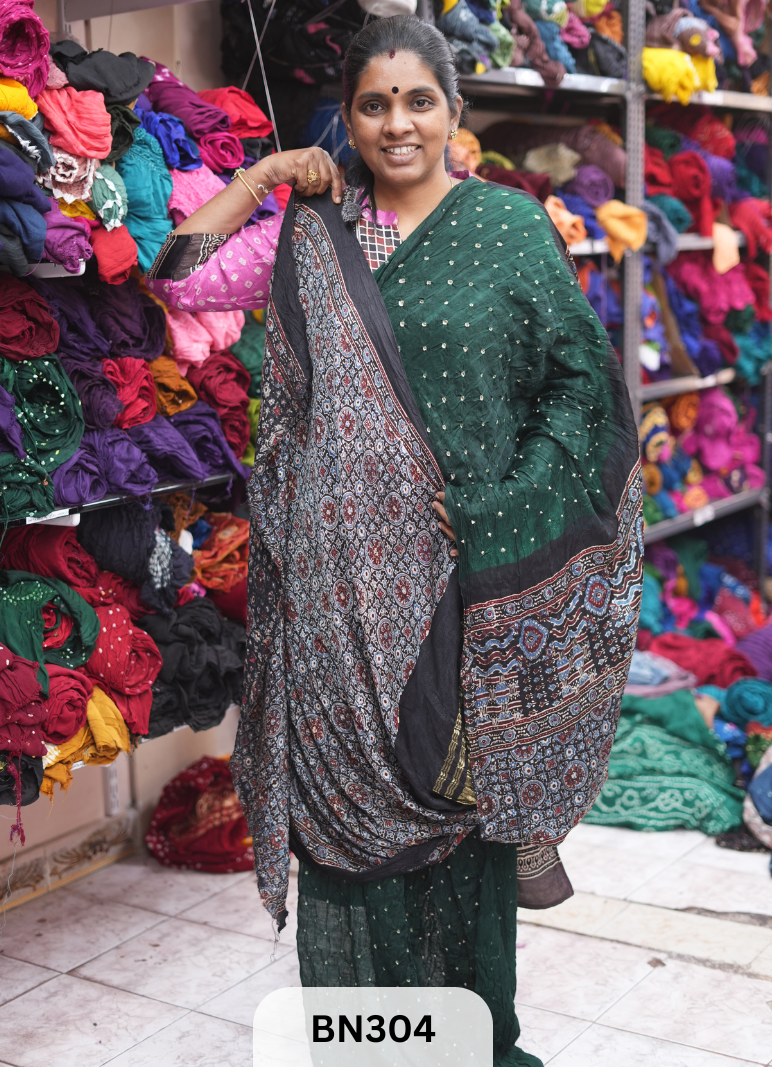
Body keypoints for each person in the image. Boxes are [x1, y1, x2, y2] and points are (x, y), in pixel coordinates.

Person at [146, 15, 642, 1065]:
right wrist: (267, 173)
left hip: (462, 584)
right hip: (330, 591)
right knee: (340, 834)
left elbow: (581, 385)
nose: (395, 123)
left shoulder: (506, 227)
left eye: (418, 100)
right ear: (348, 115)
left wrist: (501, 505)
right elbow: (175, 273)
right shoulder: (320, 230)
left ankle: (469, 1040)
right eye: (373, 103)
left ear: (452, 112)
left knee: (456, 821)